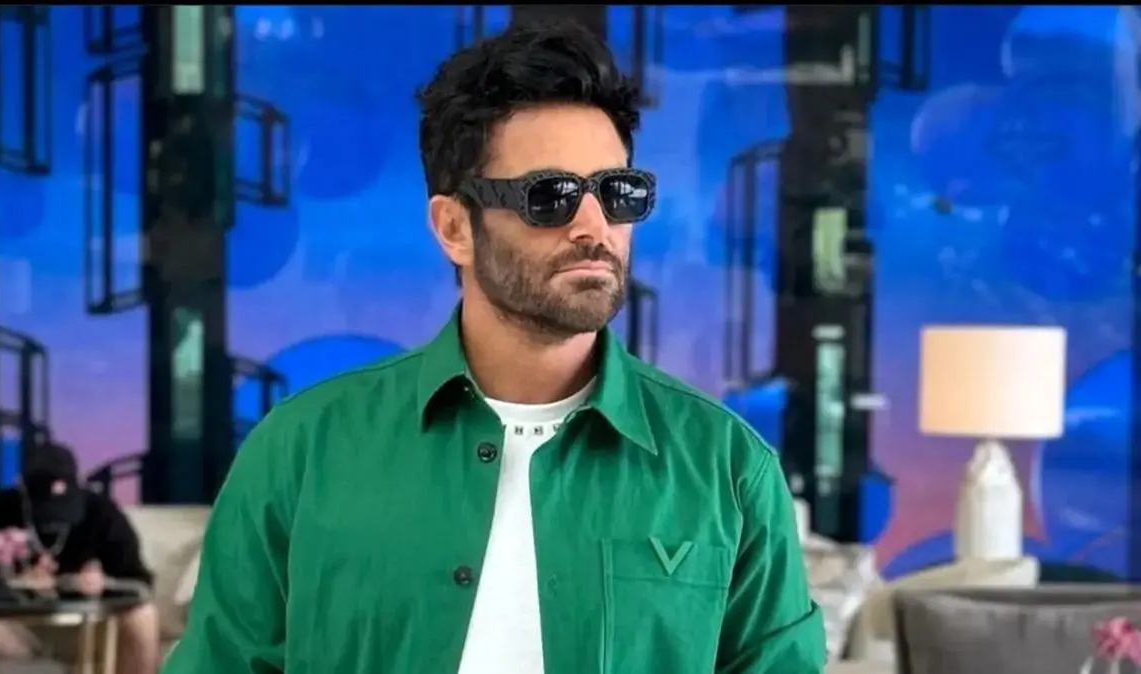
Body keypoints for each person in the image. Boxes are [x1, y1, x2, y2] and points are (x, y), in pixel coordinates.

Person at [165, 19, 825, 674]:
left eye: (616, 192)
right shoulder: (302, 451)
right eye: (550, 196)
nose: (594, 226)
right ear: (454, 227)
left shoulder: (728, 469)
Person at [0, 443, 160, 674]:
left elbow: (140, 584)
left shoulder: (101, 512)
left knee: (144, 616)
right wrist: (12, 585)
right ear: (23, 490)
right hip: (16, 628)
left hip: (85, 629)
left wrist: (104, 583)